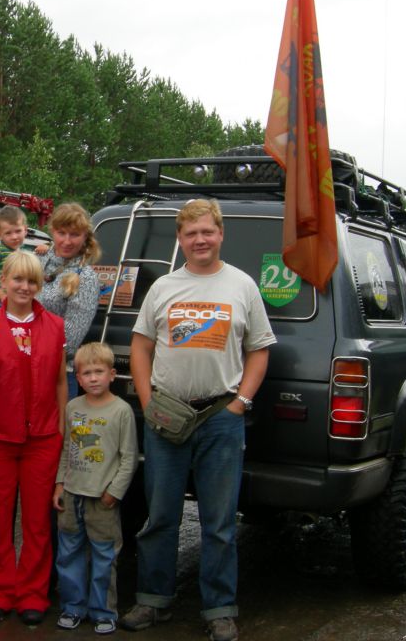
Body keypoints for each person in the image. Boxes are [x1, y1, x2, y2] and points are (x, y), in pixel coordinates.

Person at [119, 199, 275, 641]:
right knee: (160, 515)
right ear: (180, 239)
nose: (200, 240)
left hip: (221, 416)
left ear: (220, 234)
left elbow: (259, 349)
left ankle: (219, 609)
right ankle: (153, 600)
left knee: (219, 522)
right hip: (167, 415)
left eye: (207, 231)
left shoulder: (242, 286)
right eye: (191, 233)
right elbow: (140, 347)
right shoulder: (164, 287)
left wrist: (241, 402)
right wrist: (148, 401)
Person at [0, 251, 68, 626]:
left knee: (37, 522)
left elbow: (60, 383)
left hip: (42, 438)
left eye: (31, 281)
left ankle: (32, 594)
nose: (25, 287)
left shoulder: (55, 326)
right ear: (4, 282)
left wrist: (60, 430)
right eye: (18, 280)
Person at [53, 342, 138, 635]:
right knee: (69, 554)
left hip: (102, 499)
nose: (93, 378)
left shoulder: (122, 411)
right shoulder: (73, 407)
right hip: (72, 494)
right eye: (86, 373)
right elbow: (67, 448)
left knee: (104, 556)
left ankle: (103, 611)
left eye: (99, 372)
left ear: (112, 374)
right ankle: (73, 607)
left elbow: (129, 458)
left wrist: (114, 492)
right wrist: (59, 484)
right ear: (77, 378)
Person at [38, 202, 101, 398]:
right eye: (61, 233)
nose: (66, 241)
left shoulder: (86, 277)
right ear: (52, 231)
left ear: (85, 237)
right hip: (18, 364)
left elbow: (71, 339)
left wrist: (29, 349)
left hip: (56, 372)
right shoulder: (36, 261)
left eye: (74, 235)